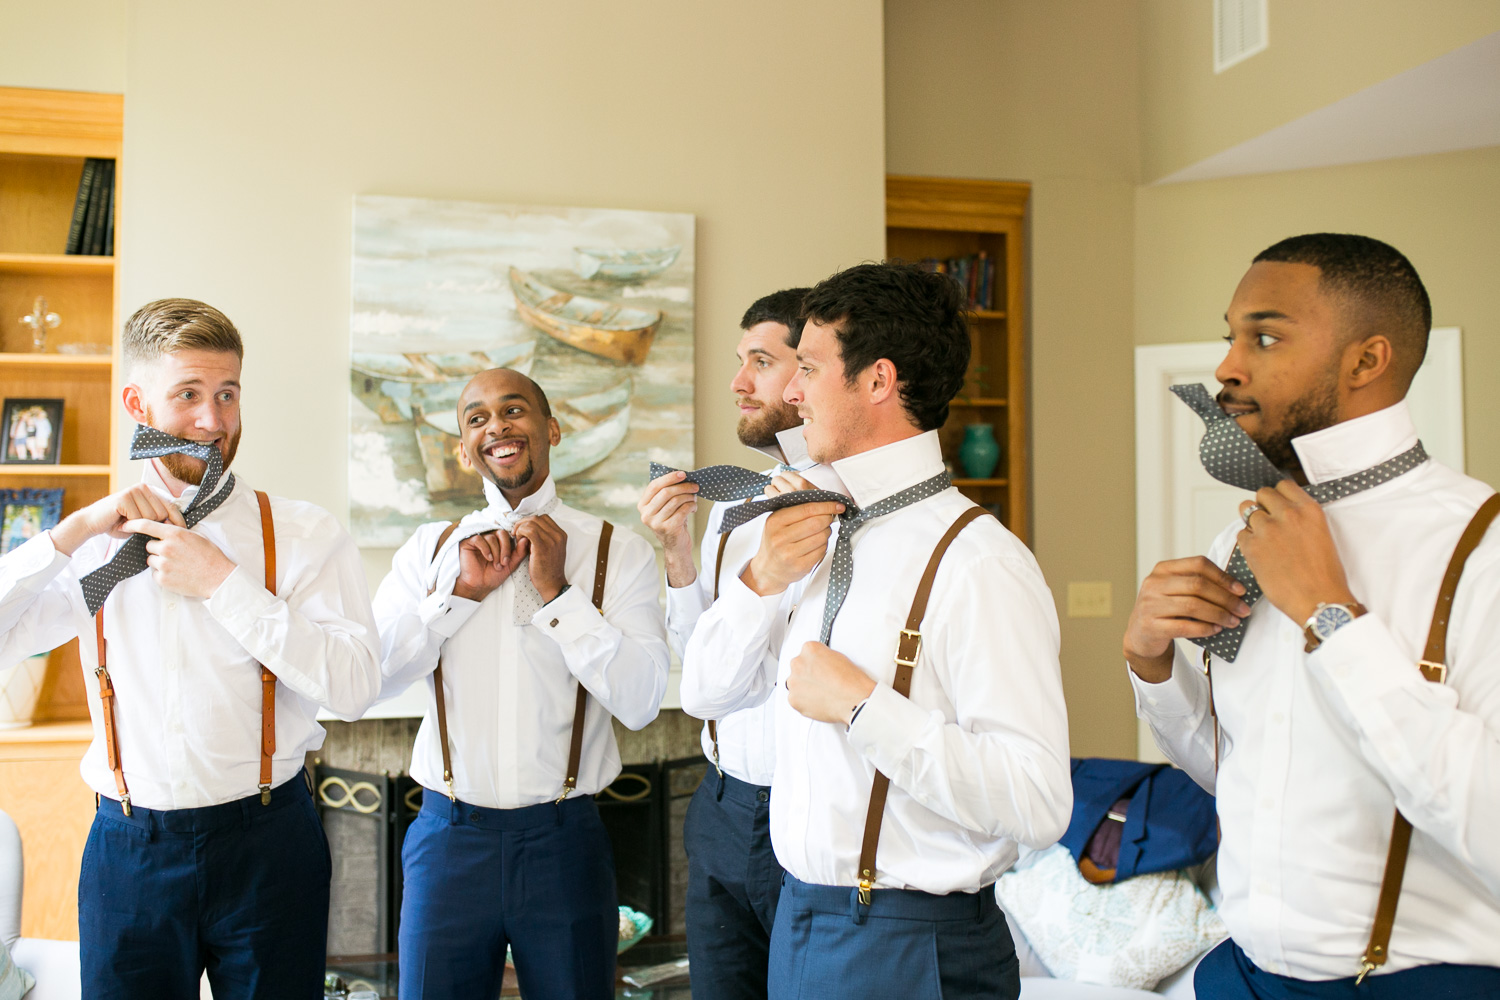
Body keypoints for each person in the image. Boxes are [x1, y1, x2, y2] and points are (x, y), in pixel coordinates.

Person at [1125, 234, 1500, 997]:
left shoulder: (1482, 545)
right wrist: (1152, 665)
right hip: (1239, 976)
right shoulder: (1244, 537)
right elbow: (1243, 771)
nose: (1228, 366)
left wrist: (1333, 619)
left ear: (1367, 361)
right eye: (1229, 336)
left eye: (1264, 337)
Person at [683, 262, 1071, 999]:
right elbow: (705, 691)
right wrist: (760, 583)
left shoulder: (980, 562)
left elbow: (1037, 801)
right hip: (800, 920)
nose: (789, 394)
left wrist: (864, 707)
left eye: (808, 368)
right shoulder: (801, 528)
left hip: (909, 943)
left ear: (878, 381)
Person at [0, 298, 382, 1000]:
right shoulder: (97, 551)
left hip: (271, 844)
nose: (214, 421)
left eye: (227, 394)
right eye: (188, 395)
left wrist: (226, 586)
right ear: (135, 401)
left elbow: (356, 685)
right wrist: (73, 531)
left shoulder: (299, 534)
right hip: (129, 852)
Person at [374, 367, 669, 1000]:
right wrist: (457, 595)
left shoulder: (620, 552)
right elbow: (373, 679)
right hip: (447, 841)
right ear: (464, 448)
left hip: (565, 843)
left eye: (513, 411)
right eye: (476, 419)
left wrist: (559, 594)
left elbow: (643, 703)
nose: (497, 427)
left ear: (551, 429)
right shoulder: (428, 553)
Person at [639, 287, 838, 1000]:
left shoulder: (862, 511)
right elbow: (705, 666)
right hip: (720, 802)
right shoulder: (731, 502)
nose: (739, 383)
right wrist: (677, 554)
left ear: (813, 371)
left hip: (810, 804)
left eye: (762, 360)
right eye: (739, 361)